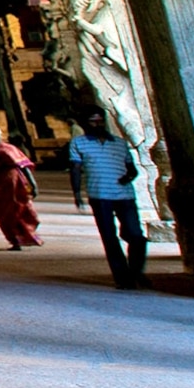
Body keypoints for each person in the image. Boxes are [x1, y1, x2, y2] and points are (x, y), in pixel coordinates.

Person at [64, 111, 149, 288]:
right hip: (99, 195)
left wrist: (128, 177)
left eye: (100, 121)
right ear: (85, 124)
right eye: (93, 121)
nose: (98, 124)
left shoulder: (119, 143)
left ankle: (135, 272)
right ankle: (123, 278)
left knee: (136, 236)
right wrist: (77, 193)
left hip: (125, 195)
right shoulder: (78, 143)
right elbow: (75, 169)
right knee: (109, 237)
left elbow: (132, 168)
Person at [0, 122, 42, 249]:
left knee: (19, 210)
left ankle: (25, 236)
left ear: (0, 135)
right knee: (3, 214)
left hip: (14, 186)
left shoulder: (10, 149)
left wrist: (33, 184)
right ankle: (14, 240)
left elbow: (23, 167)